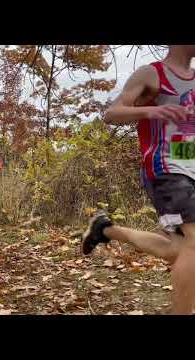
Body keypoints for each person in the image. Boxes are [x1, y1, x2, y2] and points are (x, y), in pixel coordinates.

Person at [81, 45, 195, 314]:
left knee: (177, 250)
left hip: (190, 167)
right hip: (165, 168)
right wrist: (150, 112)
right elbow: (112, 113)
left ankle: (103, 229)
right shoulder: (152, 74)